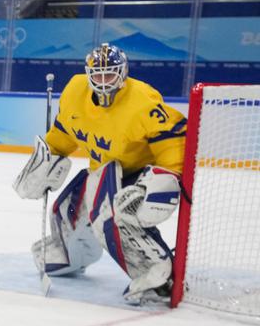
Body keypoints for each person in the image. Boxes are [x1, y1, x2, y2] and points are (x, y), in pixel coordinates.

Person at [12, 43, 186, 303]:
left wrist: (166, 177)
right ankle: (69, 254)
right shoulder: (75, 92)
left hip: (134, 176)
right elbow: (65, 130)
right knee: (66, 211)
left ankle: (156, 270)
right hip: (101, 171)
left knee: (111, 218)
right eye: (98, 75)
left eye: (110, 74)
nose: (103, 81)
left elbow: (172, 138)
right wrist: (47, 159)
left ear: (123, 73)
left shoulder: (143, 101)